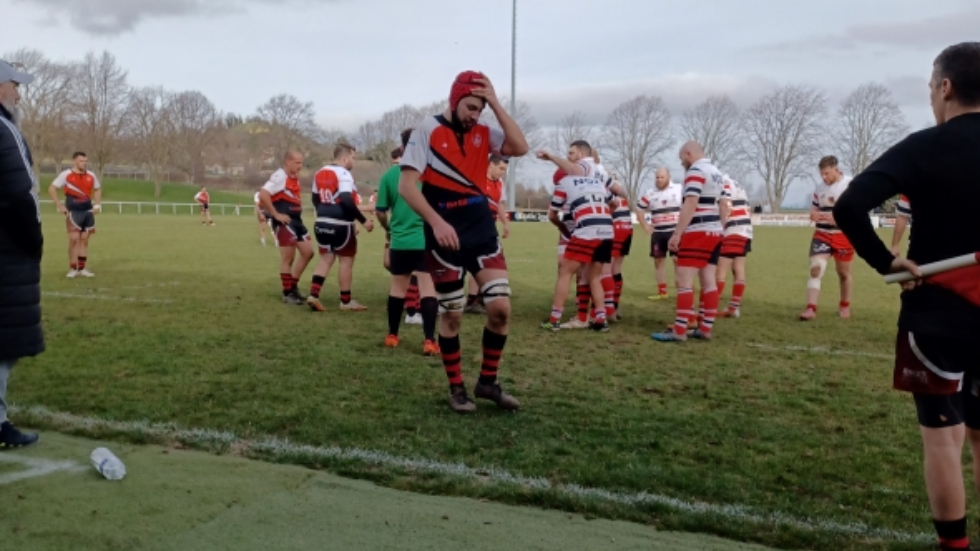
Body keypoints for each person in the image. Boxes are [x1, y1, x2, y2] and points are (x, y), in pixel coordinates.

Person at [833, 42, 980, 551]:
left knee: (943, 438)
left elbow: (850, 205)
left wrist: (885, 260)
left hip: (936, 311)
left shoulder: (924, 145)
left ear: (945, 87)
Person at [398, 70, 528, 413]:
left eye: (480, 109)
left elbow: (520, 147)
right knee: (453, 315)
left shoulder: (484, 132)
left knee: (500, 309)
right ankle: (456, 388)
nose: (475, 115)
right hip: (444, 234)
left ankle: (488, 382)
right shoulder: (428, 130)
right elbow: (407, 186)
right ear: (454, 101)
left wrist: (495, 103)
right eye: (470, 107)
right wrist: (436, 221)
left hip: (481, 230)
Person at [0, 59, 42, 448]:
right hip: (7, 253)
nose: (19, 93)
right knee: (4, 345)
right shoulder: (5, 129)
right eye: (14, 85)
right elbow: (19, 193)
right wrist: (34, 241)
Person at [539, 142, 615, 332]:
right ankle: (600, 319)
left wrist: (565, 230)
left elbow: (552, 214)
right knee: (594, 276)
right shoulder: (598, 181)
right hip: (607, 230)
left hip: (586, 231)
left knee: (565, 272)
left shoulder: (564, 182)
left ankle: (554, 319)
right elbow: (614, 202)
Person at [652, 142, 724, 343]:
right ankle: (706, 328)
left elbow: (691, 202)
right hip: (715, 230)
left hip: (698, 230)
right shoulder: (716, 172)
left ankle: (680, 330)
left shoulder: (696, 171)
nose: (681, 161)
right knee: (708, 279)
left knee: (684, 278)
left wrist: (677, 234)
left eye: (681, 157)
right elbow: (722, 203)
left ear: (689, 154)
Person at [376, 130, 440, 355]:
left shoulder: (389, 176)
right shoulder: (431, 174)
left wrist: (388, 230)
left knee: (397, 288)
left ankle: (393, 335)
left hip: (400, 241)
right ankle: (430, 340)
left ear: (402, 148)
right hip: (425, 241)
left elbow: (381, 211)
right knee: (427, 289)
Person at [306, 144, 374, 312]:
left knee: (325, 259)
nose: (354, 162)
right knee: (346, 261)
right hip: (341, 225)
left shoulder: (319, 172)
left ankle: (313, 295)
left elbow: (315, 199)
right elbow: (345, 198)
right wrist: (363, 221)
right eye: (353, 158)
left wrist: (323, 212)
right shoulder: (344, 174)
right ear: (344, 158)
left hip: (321, 222)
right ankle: (346, 301)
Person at [800, 156, 854, 321]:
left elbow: (857, 209)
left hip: (844, 235)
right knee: (815, 269)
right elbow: (814, 207)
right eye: (822, 174)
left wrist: (841, 217)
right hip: (822, 234)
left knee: (843, 273)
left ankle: (844, 305)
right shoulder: (819, 187)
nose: (824, 177)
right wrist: (813, 214)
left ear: (836, 169)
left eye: (827, 173)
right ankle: (810, 309)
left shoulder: (850, 185)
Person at [258, 150, 314, 305]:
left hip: (297, 221)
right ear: (288, 162)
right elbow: (263, 193)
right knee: (288, 258)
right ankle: (287, 292)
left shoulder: (293, 177)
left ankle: (293, 286)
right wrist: (275, 214)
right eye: (297, 163)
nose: (300, 166)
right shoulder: (280, 176)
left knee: (308, 252)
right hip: (284, 222)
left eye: (302, 163)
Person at [464, 154, 511, 314]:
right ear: (490, 164)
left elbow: (499, 204)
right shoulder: (476, 180)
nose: (503, 172)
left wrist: (505, 223)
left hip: (490, 227)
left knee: (491, 261)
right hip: (472, 227)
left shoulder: (499, 183)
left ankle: (483, 296)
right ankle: (471, 300)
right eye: (501, 168)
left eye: (505, 169)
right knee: (476, 261)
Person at [48, 152, 101, 278]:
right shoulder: (66, 175)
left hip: (87, 212)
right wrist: (59, 205)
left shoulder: (91, 175)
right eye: (82, 161)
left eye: (86, 161)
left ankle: (82, 268)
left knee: (84, 239)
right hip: (73, 212)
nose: (84, 163)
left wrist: (97, 204)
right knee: (74, 239)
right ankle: (73, 268)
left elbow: (98, 189)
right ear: (74, 161)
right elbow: (52, 188)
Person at [636, 167, 682, 300]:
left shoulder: (679, 189)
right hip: (658, 233)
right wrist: (644, 225)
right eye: (657, 177)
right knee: (658, 261)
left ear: (669, 177)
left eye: (662, 177)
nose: (659, 180)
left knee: (677, 260)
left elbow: (690, 205)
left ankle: (681, 291)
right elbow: (639, 209)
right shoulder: (650, 193)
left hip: (675, 232)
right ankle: (662, 292)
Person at [716, 175, 753, 318]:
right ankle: (734, 307)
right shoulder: (737, 183)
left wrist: (722, 224)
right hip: (746, 230)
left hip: (733, 230)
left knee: (720, 270)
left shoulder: (723, 182)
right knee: (738, 268)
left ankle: (710, 308)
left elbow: (725, 204)